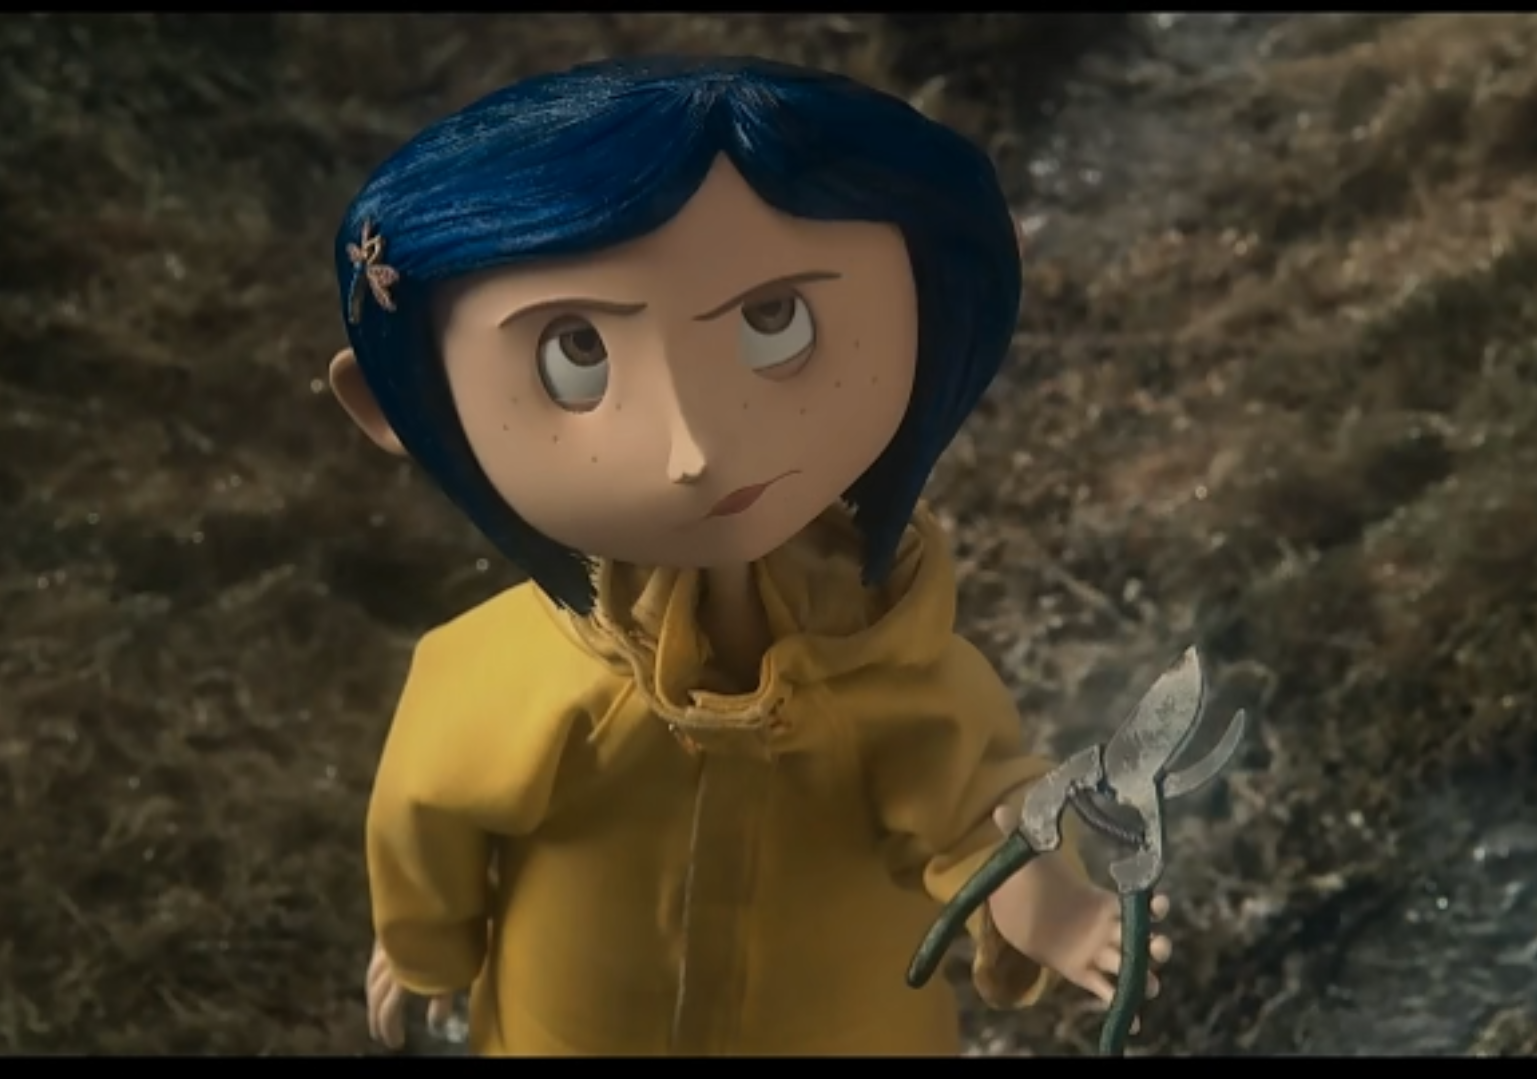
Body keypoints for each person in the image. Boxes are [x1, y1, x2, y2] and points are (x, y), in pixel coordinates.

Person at [327, 56, 1170, 1057]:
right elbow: (426, 812)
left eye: (775, 319)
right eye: (576, 355)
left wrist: (1036, 895)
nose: (696, 447)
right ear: (398, 407)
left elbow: (970, 800)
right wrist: (425, 942)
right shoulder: (511, 674)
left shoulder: (890, 664)